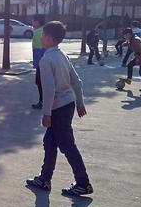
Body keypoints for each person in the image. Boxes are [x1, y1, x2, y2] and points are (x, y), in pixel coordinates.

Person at [26, 21, 93, 197]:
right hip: (68, 104)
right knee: (50, 142)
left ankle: (83, 183)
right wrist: (79, 102)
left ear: (48, 39)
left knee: (66, 145)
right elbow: (76, 81)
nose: (40, 38)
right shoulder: (62, 55)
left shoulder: (46, 60)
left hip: (58, 108)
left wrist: (46, 113)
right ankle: (44, 179)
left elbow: (49, 90)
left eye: (43, 35)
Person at [120, 27, 141, 93]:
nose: (124, 37)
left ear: (128, 34)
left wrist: (137, 59)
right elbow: (129, 43)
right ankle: (129, 80)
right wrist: (125, 44)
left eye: (125, 35)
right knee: (130, 65)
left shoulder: (135, 40)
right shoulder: (132, 38)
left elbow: (139, 51)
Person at [31, 14, 45, 109]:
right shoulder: (44, 30)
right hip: (46, 61)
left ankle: (42, 102)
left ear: (37, 22)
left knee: (40, 83)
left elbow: (38, 50)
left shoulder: (38, 33)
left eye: (33, 21)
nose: (32, 23)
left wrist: (36, 63)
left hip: (41, 62)